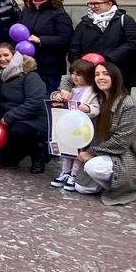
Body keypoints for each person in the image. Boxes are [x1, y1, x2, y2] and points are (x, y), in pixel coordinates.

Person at [70, 59, 136, 205]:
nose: (100, 77)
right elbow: (69, 77)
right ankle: (108, 183)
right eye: (97, 74)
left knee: (93, 167)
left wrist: (91, 152)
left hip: (122, 157)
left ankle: (122, 187)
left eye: (105, 74)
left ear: (115, 77)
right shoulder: (98, 99)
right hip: (103, 154)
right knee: (81, 187)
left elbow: (121, 142)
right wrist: (64, 91)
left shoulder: (127, 104)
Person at [67, 0, 136, 88]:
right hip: (91, 75)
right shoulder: (84, 23)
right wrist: (79, 67)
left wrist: (107, 58)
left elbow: (133, 43)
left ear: (109, 4)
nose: (93, 7)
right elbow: (74, 48)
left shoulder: (125, 20)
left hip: (120, 74)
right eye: (91, 3)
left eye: (97, 3)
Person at [0, 43, 47, 172]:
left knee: (19, 131)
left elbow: (35, 102)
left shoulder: (30, 75)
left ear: (14, 55)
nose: (2, 59)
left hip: (32, 119)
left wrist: (9, 117)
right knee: (5, 162)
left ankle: (38, 153)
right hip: (7, 119)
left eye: (6, 55)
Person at [49, 58, 103, 190]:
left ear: (88, 76)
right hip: (68, 127)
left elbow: (96, 108)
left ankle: (74, 174)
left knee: (78, 152)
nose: (74, 77)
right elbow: (55, 96)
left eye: (78, 75)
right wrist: (56, 96)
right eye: (73, 74)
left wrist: (88, 109)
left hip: (81, 128)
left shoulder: (91, 92)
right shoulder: (70, 90)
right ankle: (65, 173)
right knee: (67, 152)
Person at [17, 0, 74, 93]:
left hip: (50, 68)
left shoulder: (59, 13)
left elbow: (65, 39)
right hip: (28, 65)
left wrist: (40, 40)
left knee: (49, 99)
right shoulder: (27, 11)